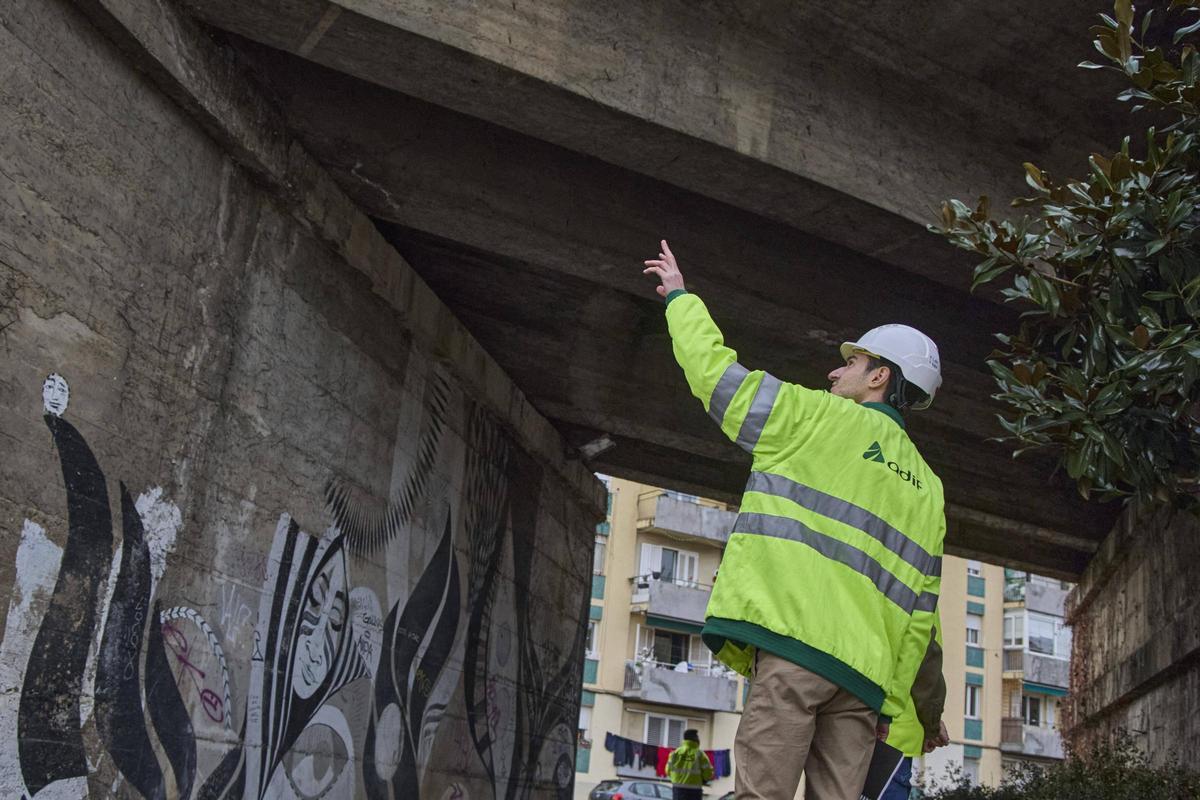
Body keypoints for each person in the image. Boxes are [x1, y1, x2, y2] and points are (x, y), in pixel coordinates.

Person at [642, 241, 947, 800]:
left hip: (793, 652)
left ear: (880, 376)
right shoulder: (930, 489)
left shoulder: (815, 418)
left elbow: (718, 379)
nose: (836, 370)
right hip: (863, 685)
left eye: (852, 362)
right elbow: (922, 618)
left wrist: (681, 299)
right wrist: (898, 705)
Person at [861, 613, 950, 800]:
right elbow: (922, 661)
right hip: (891, 740)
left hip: (843, 725)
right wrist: (931, 726)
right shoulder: (922, 587)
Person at [666, 729, 715, 800]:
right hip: (694, 791)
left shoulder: (675, 753)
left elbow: (667, 771)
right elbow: (708, 774)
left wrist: (677, 779)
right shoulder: (700, 755)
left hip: (678, 790)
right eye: (697, 737)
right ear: (695, 739)